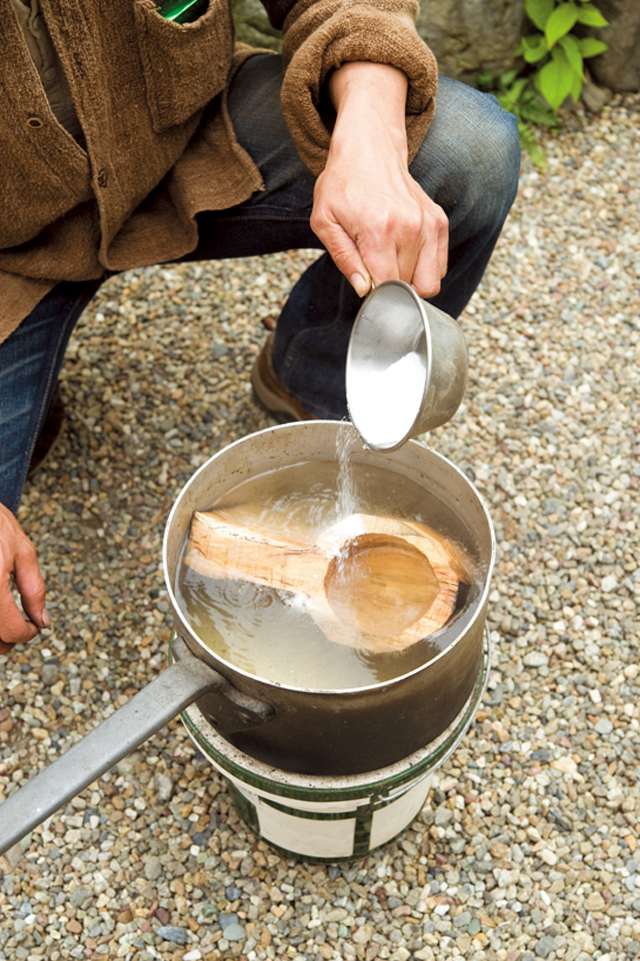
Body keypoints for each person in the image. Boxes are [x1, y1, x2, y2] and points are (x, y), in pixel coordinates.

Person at [0, 0, 521, 654]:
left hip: (176, 149)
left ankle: (308, 383)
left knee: (469, 154)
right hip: (9, 263)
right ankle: (35, 404)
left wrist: (372, 134)